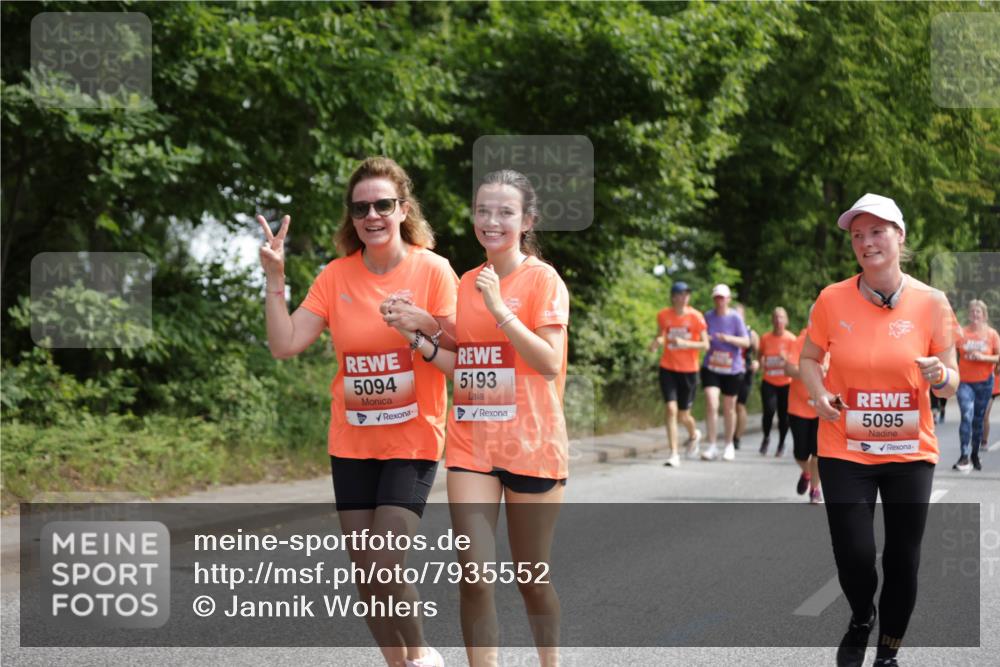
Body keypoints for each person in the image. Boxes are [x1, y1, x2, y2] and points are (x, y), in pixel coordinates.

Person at [258, 156, 456, 667]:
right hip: (352, 441)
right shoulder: (336, 275)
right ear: (352, 215)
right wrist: (274, 278)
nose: (372, 215)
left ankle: (421, 658)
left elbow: (465, 347)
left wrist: (424, 321)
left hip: (413, 436)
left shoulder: (432, 269)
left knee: (387, 562)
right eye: (361, 207)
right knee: (367, 575)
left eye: (383, 205)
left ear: (402, 209)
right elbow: (285, 344)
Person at [385, 169, 569, 667]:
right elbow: (467, 365)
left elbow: (549, 362)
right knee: (474, 574)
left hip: (533, 447)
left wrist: (500, 309)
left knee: (532, 579)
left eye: (505, 212)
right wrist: (420, 339)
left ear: (526, 220)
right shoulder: (466, 282)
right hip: (472, 448)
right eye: (483, 210)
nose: (492, 221)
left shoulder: (541, 280)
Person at [799, 193, 959, 667]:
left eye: (877, 232)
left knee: (903, 558)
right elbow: (808, 359)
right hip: (844, 447)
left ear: (900, 236)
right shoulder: (832, 299)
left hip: (910, 450)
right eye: (857, 235)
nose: (866, 243)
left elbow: (951, 381)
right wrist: (817, 393)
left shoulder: (932, 302)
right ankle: (861, 616)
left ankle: (888, 652)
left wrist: (940, 376)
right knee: (854, 553)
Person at [650, 281, 708, 465]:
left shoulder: (696, 317)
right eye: (681, 294)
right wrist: (657, 342)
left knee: (684, 415)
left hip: (689, 371)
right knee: (670, 409)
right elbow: (661, 334)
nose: (684, 297)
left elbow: (706, 345)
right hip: (668, 368)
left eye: (687, 294)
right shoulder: (664, 315)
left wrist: (686, 344)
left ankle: (694, 433)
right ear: (673, 297)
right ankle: (674, 453)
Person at [700, 284, 751, 461]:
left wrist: (727, 338)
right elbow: (701, 336)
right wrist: (705, 338)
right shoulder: (708, 316)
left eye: (722, 298)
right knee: (711, 402)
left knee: (729, 407)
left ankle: (729, 444)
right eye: (716, 298)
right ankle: (712, 444)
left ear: (728, 299)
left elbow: (746, 342)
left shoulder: (735, 318)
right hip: (712, 366)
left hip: (732, 369)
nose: (719, 301)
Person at [954, 299, 1000, 472]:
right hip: (964, 382)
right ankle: (964, 455)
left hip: (985, 383)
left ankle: (974, 453)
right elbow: (952, 354)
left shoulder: (992, 334)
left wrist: (983, 358)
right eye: (972, 311)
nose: (975, 315)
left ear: (984, 315)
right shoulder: (961, 333)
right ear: (969, 314)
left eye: (978, 312)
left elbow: (998, 357)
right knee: (966, 415)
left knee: (978, 421)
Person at [785, 317, 824, 504]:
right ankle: (806, 473)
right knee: (800, 454)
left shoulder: (833, 341)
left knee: (818, 455)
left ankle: (815, 489)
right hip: (799, 406)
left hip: (823, 408)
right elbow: (789, 369)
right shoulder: (800, 341)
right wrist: (810, 371)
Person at [758, 307, 798, 457]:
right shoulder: (765, 338)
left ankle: (781, 443)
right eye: (775, 317)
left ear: (786, 321)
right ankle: (766, 437)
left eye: (781, 317)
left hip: (786, 383)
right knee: (768, 411)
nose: (778, 320)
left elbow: (796, 361)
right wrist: (760, 362)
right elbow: (760, 353)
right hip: (769, 380)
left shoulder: (791, 339)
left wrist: (785, 358)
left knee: (783, 416)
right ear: (772, 320)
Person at [732, 302, 759, 450]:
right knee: (730, 404)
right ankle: (731, 434)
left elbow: (758, 354)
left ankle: (737, 437)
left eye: (739, 315)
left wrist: (756, 363)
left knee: (739, 405)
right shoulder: (728, 331)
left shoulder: (751, 333)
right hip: (730, 371)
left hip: (745, 372)